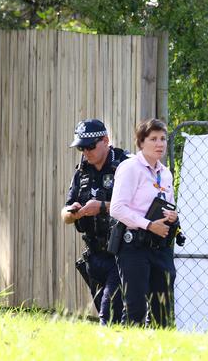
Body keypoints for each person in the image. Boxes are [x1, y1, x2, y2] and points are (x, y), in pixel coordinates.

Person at [110, 118, 178, 327]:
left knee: (163, 310)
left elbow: (169, 205)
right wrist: (148, 225)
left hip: (160, 246)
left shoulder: (165, 172)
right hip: (134, 246)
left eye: (163, 139)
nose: (160, 144)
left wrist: (172, 216)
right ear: (141, 143)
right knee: (135, 309)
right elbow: (117, 209)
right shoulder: (130, 167)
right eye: (153, 139)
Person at [61, 118, 128, 325]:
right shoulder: (81, 172)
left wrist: (101, 206)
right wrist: (74, 213)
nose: (85, 152)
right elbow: (65, 213)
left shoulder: (126, 166)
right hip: (94, 256)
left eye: (90, 146)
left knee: (107, 317)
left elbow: (137, 206)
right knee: (110, 317)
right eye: (81, 147)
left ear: (106, 140)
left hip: (121, 254)